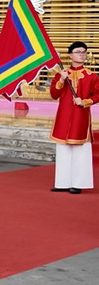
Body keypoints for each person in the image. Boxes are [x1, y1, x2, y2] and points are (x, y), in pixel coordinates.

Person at [49, 41, 98, 194]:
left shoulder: (92, 76)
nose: (81, 54)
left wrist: (85, 101)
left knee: (80, 151)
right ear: (70, 55)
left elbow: (97, 94)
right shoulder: (60, 74)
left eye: (84, 52)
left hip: (80, 117)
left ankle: (78, 183)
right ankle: (62, 182)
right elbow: (54, 94)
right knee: (63, 151)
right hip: (63, 117)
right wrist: (62, 80)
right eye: (78, 52)